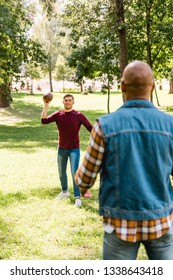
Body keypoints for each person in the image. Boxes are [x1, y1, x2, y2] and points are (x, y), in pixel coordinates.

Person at [75, 61, 173, 259]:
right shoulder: (170, 125)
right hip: (161, 219)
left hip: (119, 222)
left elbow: (85, 179)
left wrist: (82, 187)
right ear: (153, 86)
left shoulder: (104, 126)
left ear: (122, 86)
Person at [41, 94, 92, 207]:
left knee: (74, 172)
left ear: (73, 102)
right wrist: (46, 105)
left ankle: (77, 197)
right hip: (62, 148)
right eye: (66, 100)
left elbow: (90, 128)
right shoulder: (58, 114)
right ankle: (65, 192)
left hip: (74, 149)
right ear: (63, 102)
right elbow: (44, 121)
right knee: (61, 172)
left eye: (70, 100)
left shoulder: (78, 115)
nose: (68, 102)